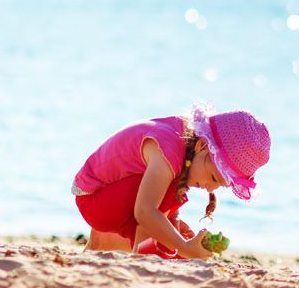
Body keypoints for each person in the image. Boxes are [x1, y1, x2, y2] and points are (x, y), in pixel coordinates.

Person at [73, 104, 269, 259]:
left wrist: (172, 225)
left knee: (169, 232)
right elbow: (145, 211)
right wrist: (184, 247)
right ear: (202, 146)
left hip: (109, 196)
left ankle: (117, 245)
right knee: (165, 205)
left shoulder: (184, 147)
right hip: (95, 198)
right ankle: (142, 254)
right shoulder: (168, 151)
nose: (210, 187)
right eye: (213, 177)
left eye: (220, 185)